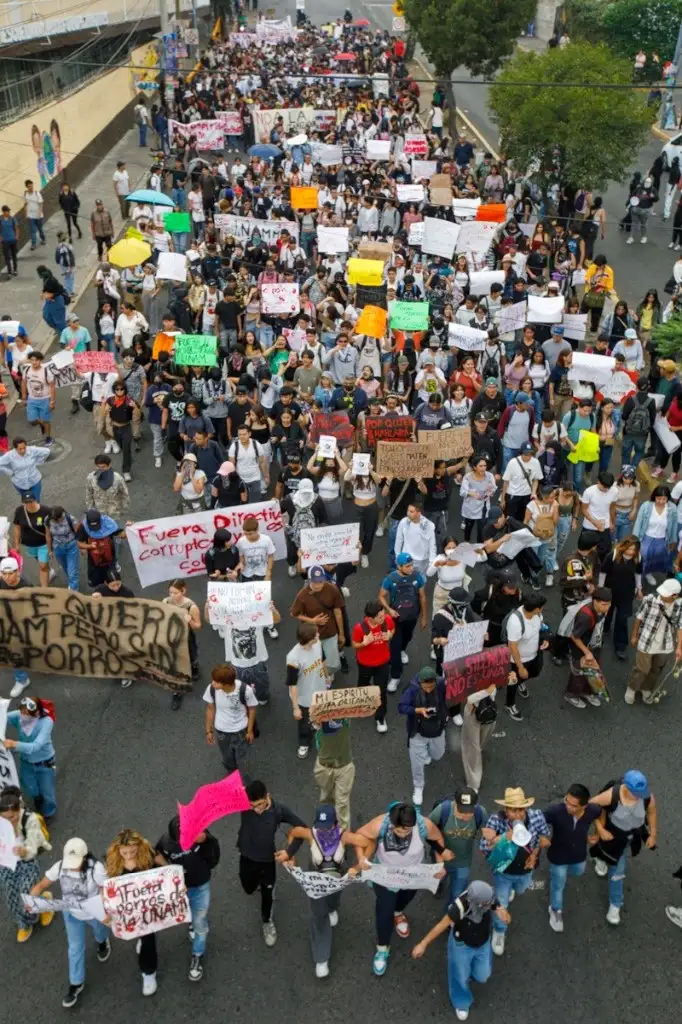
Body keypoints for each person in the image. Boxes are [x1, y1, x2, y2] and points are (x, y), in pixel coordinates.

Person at [358, 802, 451, 977]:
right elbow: (360, 835)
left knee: (405, 899)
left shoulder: (423, 825)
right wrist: (361, 857)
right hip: (385, 876)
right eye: (398, 830)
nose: (402, 834)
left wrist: (440, 864)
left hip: (412, 875)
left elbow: (437, 839)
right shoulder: (381, 824)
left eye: (407, 830)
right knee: (384, 911)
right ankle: (382, 948)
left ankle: (398, 913)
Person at [279, 806, 371, 978]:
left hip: (338, 876)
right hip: (317, 879)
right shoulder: (310, 834)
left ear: (335, 823)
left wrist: (359, 865)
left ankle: (332, 908)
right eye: (321, 825)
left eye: (327, 826)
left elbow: (368, 843)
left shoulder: (344, 836)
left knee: (334, 898)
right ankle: (322, 958)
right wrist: (289, 854)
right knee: (319, 914)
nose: (323, 829)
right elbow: (293, 832)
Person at [411, 880, 509, 1022]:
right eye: (487, 903)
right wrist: (423, 944)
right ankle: (462, 1002)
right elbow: (441, 925)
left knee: (483, 975)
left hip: (482, 943)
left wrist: (503, 914)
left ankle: (469, 976)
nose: (490, 904)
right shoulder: (460, 906)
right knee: (459, 977)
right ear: (479, 903)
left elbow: (499, 908)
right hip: (461, 945)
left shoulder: (488, 895)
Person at [29, 837, 110, 1009]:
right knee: (75, 948)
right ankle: (76, 983)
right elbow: (43, 884)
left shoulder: (97, 869)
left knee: (100, 932)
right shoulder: (59, 866)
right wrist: (32, 897)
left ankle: (102, 942)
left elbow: (105, 889)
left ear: (85, 856)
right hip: (71, 912)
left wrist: (103, 907)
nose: (73, 866)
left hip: (93, 911)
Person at [479, 787, 551, 956]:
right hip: (503, 872)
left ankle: (513, 889)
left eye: (520, 809)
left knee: (521, 889)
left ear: (525, 808)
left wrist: (534, 854)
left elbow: (544, 836)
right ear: (506, 810)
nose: (517, 814)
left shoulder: (537, 816)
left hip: (526, 870)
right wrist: (503, 837)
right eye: (513, 810)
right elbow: (483, 847)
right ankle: (499, 931)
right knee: (501, 903)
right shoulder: (496, 821)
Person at [237, 779, 307, 948]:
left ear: (267, 796)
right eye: (252, 806)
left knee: (267, 895)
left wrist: (289, 852)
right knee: (248, 888)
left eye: (259, 805)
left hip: (267, 860)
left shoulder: (278, 810)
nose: (256, 810)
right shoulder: (243, 803)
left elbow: (302, 829)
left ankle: (267, 921)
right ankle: (259, 884)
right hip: (246, 856)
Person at [154, 816, 220, 982]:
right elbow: (156, 855)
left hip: (200, 887)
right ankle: (191, 922)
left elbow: (214, 857)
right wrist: (168, 869)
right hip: (179, 889)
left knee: (200, 923)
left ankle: (197, 956)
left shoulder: (202, 836)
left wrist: (205, 840)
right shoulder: (166, 842)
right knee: (188, 912)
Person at [589, 772, 657, 926]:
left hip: (631, 837)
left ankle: (615, 902)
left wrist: (652, 834)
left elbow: (652, 812)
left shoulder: (647, 796)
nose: (640, 797)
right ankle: (615, 903)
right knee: (611, 862)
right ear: (627, 788)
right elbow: (591, 806)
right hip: (612, 836)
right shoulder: (611, 795)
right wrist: (600, 829)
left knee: (617, 867)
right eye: (636, 794)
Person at [105, 830, 160, 995]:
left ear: (139, 846)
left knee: (148, 939)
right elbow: (107, 885)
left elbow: (161, 876)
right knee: (138, 932)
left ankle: (149, 972)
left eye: (132, 851)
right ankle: (141, 941)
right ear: (118, 850)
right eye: (124, 852)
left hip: (147, 906)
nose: (128, 856)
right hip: (128, 909)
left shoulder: (147, 855)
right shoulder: (112, 860)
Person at [544, 783, 601, 933]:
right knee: (558, 885)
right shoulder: (556, 811)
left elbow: (600, 814)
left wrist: (598, 831)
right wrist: (542, 837)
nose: (568, 807)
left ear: (584, 806)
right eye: (566, 801)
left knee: (578, 872)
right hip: (558, 856)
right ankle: (555, 910)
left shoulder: (592, 810)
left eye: (573, 805)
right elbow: (538, 820)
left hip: (579, 855)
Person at [0, 784, 53, 943]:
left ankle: (44, 905)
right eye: (4, 817)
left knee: (27, 893)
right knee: (11, 897)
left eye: (12, 816)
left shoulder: (30, 819)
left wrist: (24, 851)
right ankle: (24, 924)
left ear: (19, 809)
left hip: (27, 862)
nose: (9, 821)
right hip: (6, 863)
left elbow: (32, 846)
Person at [624, 578, 682, 704]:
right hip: (646, 640)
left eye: (665, 594)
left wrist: (679, 647)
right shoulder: (650, 599)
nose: (661, 595)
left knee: (656, 670)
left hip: (666, 644)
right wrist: (634, 636)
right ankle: (632, 688)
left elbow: (679, 626)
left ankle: (646, 688)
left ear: (674, 595)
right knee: (641, 669)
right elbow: (638, 617)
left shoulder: (679, 606)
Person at [398, 666, 448, 806]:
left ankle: (427, 754)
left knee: (438, 754)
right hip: (417, 731)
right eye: (425, 687)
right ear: (420, 682)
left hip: (437, 728)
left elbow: (453, 694)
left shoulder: (442, 685)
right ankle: (418, 786)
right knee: (417, 763)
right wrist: (417, 710)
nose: (428, 690)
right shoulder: (412, 689)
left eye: (431, 687)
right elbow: (401, 707)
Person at [431, 587, 482, 724]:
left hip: (464, 656)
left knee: (459, 685)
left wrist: (481, 634)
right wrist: (440, 641)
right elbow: (433, 638)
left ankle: (454, 712)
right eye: (463, 604)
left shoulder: (467, 611)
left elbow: (473, 625)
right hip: (447, 658)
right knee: (445, 685)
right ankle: (443, 710)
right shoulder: (440, 617)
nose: (466, 606)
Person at [429, 788, 487, 906]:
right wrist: (441, 853)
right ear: (454, 802)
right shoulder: (442, 811)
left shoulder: (481, 813)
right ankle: (440, 884)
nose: (465, 816)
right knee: (439, 877)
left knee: (457, 894)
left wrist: (489, 842)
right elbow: (427, 832)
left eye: (469, 811)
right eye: (462, 811)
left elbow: (488, 833)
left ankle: (451, 915)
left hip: (463, 861)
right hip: (440, 858)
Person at [379, 552, 428, 692]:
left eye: (411, 565)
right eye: (407, 566)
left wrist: (424, 617)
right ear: (399, 566)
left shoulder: (417, 576)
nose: (411, 568)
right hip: (396, 618)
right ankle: (395, 676)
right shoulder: (390, 578)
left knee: (407, 637)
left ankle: (402, 650)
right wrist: (389, 610)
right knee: (394, 645)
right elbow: (381, 596)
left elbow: (422, 597)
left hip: (412, 615)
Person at [4, 696, 57, 819]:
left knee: (47, 793)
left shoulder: (47, 722)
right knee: (29, 786)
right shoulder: (19, 715)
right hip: (27, 762)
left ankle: (48, 813)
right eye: (22, 711)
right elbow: (3, 717)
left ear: (37, 713)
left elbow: (36, 746)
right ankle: (37, 798)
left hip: (44, 764)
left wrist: (14, 744)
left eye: (27, 713)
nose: (23, 716)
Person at [290, 565, 345, 677]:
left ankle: (328, 675)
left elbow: (338, 612)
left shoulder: (332, 589)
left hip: (330, 632)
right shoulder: (302, 595)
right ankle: (320, 677)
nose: (318, 585)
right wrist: (312, 621)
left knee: (332, 663)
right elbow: (294, 614)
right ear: (309, 580)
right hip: (312, 636)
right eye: (314, 582)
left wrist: (341, 634)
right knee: (313, 661)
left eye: (321, 581)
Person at [286, 623, 330, 759]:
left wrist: (327, 676)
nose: (318, 635)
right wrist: (295, 707)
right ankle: (304, 742)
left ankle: (320, 728)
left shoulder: (317, 644)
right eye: (315, 634)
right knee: (304, 721)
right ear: (309, 639)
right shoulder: (293, 658)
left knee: (321, 712)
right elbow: (292, 684)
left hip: (320, 688)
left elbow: (322, 661)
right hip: (304, 696)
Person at [204, 663, 257, 774]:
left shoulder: (245, 690)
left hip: (241, 731)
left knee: (242, 760)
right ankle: (232, 777)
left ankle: (243, 783)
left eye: (216, 682)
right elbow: (210, 709)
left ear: (227, 684)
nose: (213, 683)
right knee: (228, 760)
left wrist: (250, 731)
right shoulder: (212, 689)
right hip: (222, 732)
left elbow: (252, 709)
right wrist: (208, 731)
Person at [563, 586, 611, 709]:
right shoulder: (585, 617)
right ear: (595, 601)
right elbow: (574, 636)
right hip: (581, 650)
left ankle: (586, 692)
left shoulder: (600, 610)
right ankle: (571, 695)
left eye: (609, 604)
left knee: (592, 673)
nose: (607, 608)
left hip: (594, 646)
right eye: (604, 605)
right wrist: (586, 652)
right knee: (578, 674)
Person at [351, 600, 395, 734]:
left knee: (381, 690)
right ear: (370, 618)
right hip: (365, 663)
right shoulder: (360, 628)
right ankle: (363, 701)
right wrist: (364, 643)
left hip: (382, 662)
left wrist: (390, 635)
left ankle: (380, 717)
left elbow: (392, 629)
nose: (383, 618)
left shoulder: (386, 620)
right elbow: (354, 644)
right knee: (363, 684)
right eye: (380, 617)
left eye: (383, 615)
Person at [504, 592, 549, 722]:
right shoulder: (515, 622)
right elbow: (512, 647)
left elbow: (541, 628)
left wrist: (545, 638)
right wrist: (520, 667)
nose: (542, 609)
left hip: (534, 654)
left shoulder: (537, 615)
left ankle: (520, 683)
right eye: (542, 607)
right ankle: (510, 704)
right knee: (513, 681)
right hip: (518, 660)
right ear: (536, 608)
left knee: (535, 672)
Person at [599, 537, 643, 660]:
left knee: (622, 619)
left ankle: (620, 646)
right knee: (607, 612)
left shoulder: (638, 558)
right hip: (610, 591)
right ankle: (604, 629)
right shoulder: (613, 555)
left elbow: (638, 573)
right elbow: (603, 572)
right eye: (629, 548)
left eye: (634, 549)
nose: (631, 552)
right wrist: (600, 589)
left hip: (627, 593)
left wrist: (639, 588)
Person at [313, 718, 355, 833]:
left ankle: (343, 837)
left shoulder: (346, 716)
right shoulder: (318, 715)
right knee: (326, 797)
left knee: (342, 803)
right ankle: (328, 824)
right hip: (324, 767)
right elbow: (315, 723)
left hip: (344, 766)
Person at [633, 485, 678, 584]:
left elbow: (674, 526)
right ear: (654, 497)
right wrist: (635, 539)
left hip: (662, 539)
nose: (661, 501)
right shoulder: (646, 506)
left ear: (668, 498)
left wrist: (673, 540)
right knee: (642, 557)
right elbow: (638, 522)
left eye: (664, 499)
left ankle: (648, 573)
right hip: (646, 537)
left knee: (655, 558)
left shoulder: (672, 508)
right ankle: (637, 576)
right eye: (659, 498)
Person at [12, 490, 51, 587]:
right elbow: (17, 527)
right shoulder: (19, 511)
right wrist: (16, 544)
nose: (29, 504)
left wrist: (50, 547)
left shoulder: (45, 511)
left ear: (35, 500)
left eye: (31, 501)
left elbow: (49, 530)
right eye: (26, 502)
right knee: (39, 560)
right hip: (29, 544)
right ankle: (48, 570)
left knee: (42, 566)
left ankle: (44, 589)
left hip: (43, 544)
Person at [500, 442, 542, 521]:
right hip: (513, 494)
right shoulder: (513, 463)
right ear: (521, 453)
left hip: (527, 495)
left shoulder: (535, 462)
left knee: (523, 519)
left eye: (530, 454)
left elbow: (536, 480)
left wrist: (533, 493)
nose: (528, 456)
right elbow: (506, 482)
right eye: (526, 454)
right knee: (510, 519)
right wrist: (503, 499)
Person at [22, 350, 55, 441]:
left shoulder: (46, 372)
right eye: (32, 360)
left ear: (40, 361)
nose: (34, 362)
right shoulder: (27, 370)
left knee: (46, 420)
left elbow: (52, 387)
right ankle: (41, 424)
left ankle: (48, 437)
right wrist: (24, 397)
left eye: (36, 360)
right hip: (32, 399)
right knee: (32, 420)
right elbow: (24, 383)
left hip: (44, 399)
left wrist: (52, 401)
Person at [45, 505, 80, 590]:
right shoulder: (47, 520)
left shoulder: (69, 518)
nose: (56, 521)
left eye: (57, 519)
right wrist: (50, 550)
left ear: (61, 515)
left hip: (71, 547)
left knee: (72, 572)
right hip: (58, 548)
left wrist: (81, 546)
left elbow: (78, 533)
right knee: (67, 569)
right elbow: (48, 535)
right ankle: (72, 583)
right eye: (54, 520)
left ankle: (73, 592)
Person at [85, 453, 129, 520]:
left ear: (109, 466)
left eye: (103, 467)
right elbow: (89, 493)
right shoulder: (91, 478)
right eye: (98, 467)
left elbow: (124, 493)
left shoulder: (117, 478)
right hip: (99, 511)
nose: (101, 469)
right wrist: (90, 509)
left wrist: (124, 510)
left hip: (114, 511)